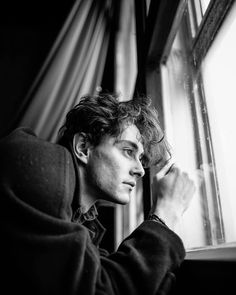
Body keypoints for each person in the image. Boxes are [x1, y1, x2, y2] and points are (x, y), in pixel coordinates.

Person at [0, 93, 195, 295]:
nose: (140, 170)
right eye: (128, 151)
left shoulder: (83, 220)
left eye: (141, 158)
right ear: (83, 147)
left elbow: (104, 279)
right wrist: (165, 213)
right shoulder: (38, 164)